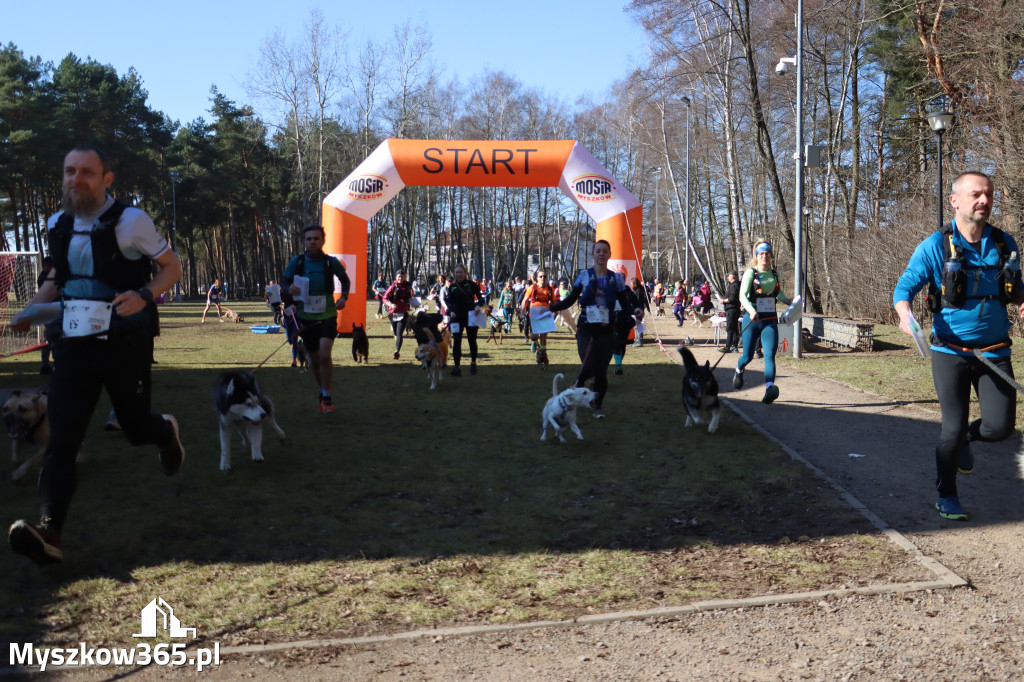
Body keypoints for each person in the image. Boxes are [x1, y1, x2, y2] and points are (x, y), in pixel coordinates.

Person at [7, 144, 185, 565]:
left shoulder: (131, 221)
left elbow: (172, 270)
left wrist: (144, 295)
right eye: (69, 171)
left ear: (107, 179)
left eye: (87, 171)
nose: (76, 179)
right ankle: (49, 531)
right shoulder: (57, 223)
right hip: (73, 343)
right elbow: (58, 280)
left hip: (125, 343)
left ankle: (164, 432)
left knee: (134, 427)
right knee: (62, 439)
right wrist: (29, 311)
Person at [893, 171, 1024, 521]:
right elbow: (903, 289)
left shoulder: (1004, 243)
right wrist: (905, 316)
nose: (984, 201)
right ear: (955, 201)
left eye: (989, 195)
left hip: (995, 351)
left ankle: (970, 437)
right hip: (950, 351)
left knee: (1000, 429)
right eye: (976, 195)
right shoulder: (936, 245)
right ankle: (947, 494)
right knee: (950, 427)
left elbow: (1016, 288)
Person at [550, 240, 640, 418]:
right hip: (586, 329)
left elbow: (624, 303)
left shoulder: (616, 278)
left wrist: (635, 311)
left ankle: (597, 407)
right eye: (598, 251)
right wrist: (551, 307)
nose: (601, 254)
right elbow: (570, 300)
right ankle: (570, 396)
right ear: (592, 254)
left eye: (604, 251)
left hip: (606, 330)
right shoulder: (584, 275)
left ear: (609, 254)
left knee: (601, 371)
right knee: (588, 365)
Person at [283, 223, 350, 414]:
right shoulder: (297, 262)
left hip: (328, 314)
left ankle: (327, 398)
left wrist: (344, 297)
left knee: (324, 353)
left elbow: (344, 279)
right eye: (309, 238)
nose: (312, 241)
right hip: (306, 315)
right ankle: (323, 390)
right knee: (314, 359)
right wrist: (289, 289)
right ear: (304, 241)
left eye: (316, 238)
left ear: (323, 240)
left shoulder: (331, 262)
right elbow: (285, 281)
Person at [731, 240, 793, 405]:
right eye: (761, 254)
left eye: (767, 254)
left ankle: (769, 390)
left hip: (769, 320)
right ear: (757, 256)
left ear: (771, 256)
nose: (764, 256)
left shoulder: (774, 274)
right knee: (748, 356)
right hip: (752, 320)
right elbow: (742, 296)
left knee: (770, 356)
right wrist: (751, 311)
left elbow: (777, 293)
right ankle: (739, 370)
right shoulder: (751, 273)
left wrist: (787, 300)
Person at [445, 263, 487, 376]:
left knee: (471, 340)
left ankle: (473, 363)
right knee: (457, 341)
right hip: (456, 317)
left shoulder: (471, 284)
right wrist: (451, 310)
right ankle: (456, 366)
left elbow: (481, 299)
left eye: (461, 272)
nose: (459, 274)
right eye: (457, 272)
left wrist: (478, 306)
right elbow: (449, 302)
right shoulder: (452, 286)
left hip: (471, 316)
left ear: (465, 273)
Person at [613, 277, 650, 375]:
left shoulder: (628, 291)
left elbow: (636, 304)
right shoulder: (611, 290)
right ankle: (618, 364)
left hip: (625, 322)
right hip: (613, 322)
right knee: (615, 343)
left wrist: (638, 311)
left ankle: (619, 363)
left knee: (622, 344)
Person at [521, 270, 556, 359]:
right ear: (537, 278)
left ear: (547, 278)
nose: (542, 278)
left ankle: (542, 355)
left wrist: (556, 311)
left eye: (544, 276)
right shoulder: (532, 288)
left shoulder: (550, 289)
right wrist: (522, 311)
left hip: (545, 313)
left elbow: (553, 302)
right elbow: (525, 300)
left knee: (544, 336)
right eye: (540, 276)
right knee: (534, 336)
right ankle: (534, 342)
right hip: (534, 313)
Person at [383, 270, 413, 360]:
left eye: (402, 277)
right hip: (393, 313)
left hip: (403, 313)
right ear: (396, 277)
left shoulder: (407, 286)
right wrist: (391, 305)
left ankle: (397, 351)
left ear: (404, 277)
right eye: (399, 277)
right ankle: (397, 344)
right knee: (396, 332)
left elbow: (411, 296)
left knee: (399, 332)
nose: (400, 278)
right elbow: (384, 298)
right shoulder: (392, 287)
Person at [36, 256, 55, 374]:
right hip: (48, 311)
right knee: (49, 338)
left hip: (54, 310)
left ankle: (51, 364)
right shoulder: (43, 278)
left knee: (53, 338)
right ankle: (45, 365)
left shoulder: (51, 276)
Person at [719, 271, 741, 353]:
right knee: (734, 328)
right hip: (733, 309)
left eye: (729, 276)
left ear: (733, 276)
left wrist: (723, 301)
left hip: (732, 309)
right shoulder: (735, 285)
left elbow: (732, 298)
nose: (728, 277)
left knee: (730, 328)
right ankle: (734, 346)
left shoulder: (734, 286)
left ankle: (728, 346)